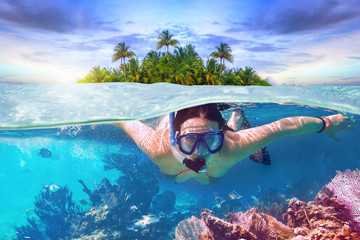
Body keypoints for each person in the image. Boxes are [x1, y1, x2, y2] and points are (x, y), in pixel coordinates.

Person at [112, 103, 353, 185]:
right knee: (170, 174)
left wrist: (328, 123)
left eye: (210, 139)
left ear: (221, 136)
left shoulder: (231, 145)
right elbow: (123, 119)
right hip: (174, 160)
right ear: (176, 138)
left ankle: (235, 117)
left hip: (222, 148)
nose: (200, 151)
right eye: (189, 140)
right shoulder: (158, 148)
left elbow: (284, 126)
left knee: (211, 178)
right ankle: (234, 117)